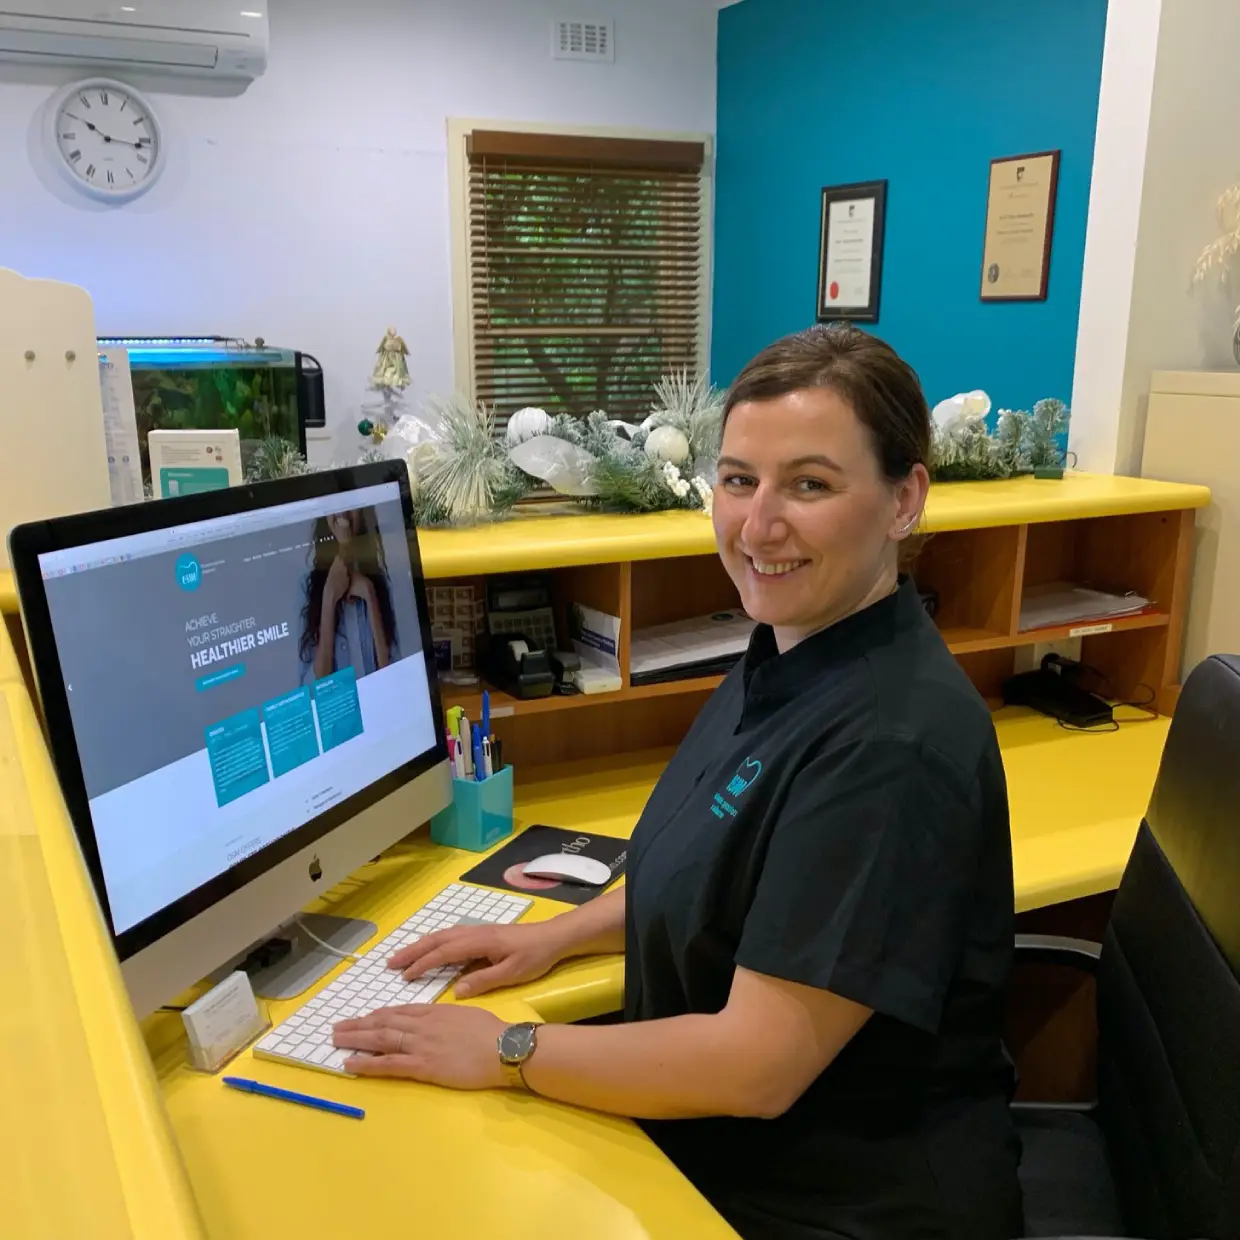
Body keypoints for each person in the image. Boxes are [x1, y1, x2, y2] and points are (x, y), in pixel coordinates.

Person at [331, 325, 1024, 1239]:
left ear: (904, 500)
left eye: (809, 485)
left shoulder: (890, 745)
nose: (757, 525)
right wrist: (556, 938)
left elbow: (754, 1068)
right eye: (738, 480)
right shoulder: (791, 648)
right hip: (723, 1148)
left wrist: (508, 1048)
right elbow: (728, 875)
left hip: (833, 1203)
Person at [299, 507, 398, 683]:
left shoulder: (381, 583)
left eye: (350, 506)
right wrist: (329, 597)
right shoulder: (306, 587)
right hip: (340, 701)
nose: (343, 514)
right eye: (333, 506)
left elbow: (392, 675)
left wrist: (370, 595)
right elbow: (313, 685)